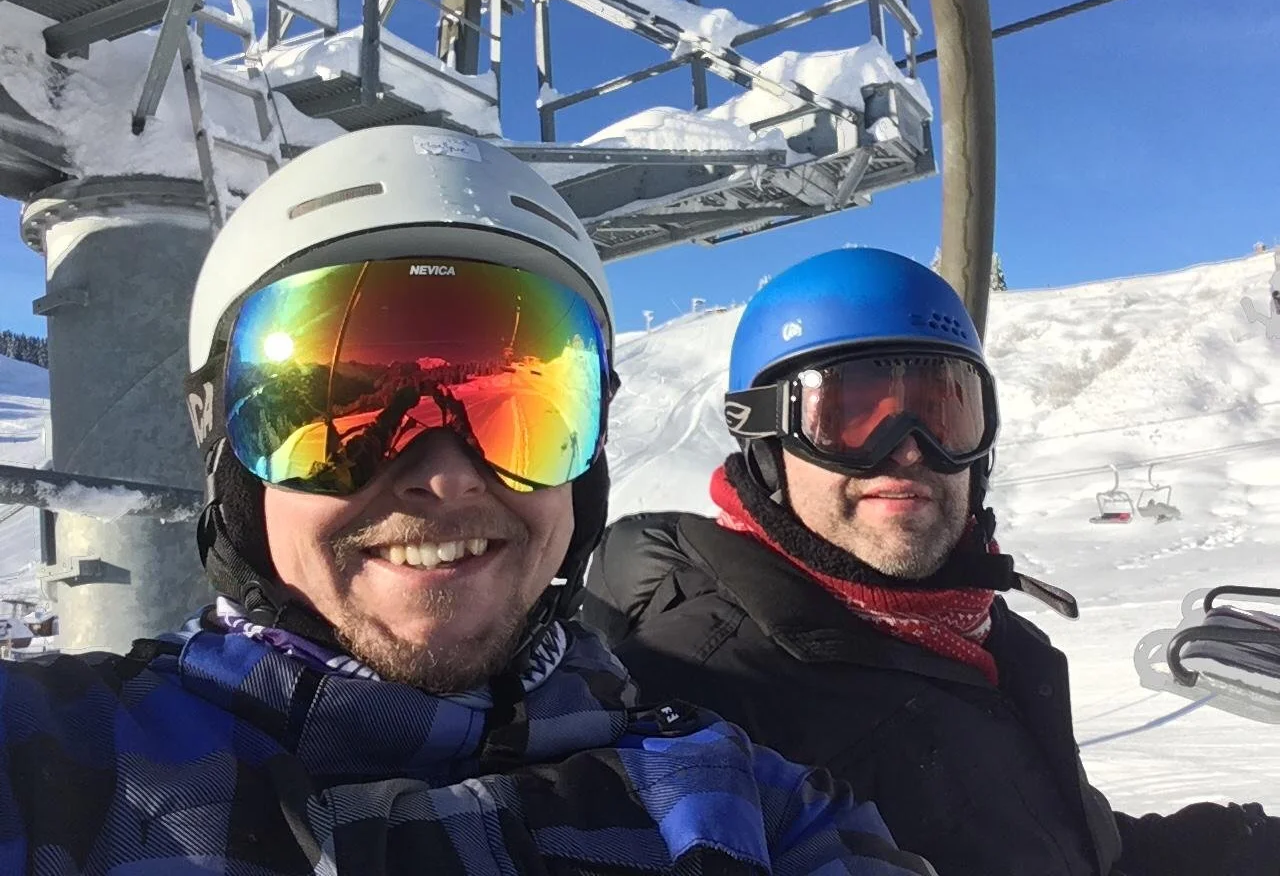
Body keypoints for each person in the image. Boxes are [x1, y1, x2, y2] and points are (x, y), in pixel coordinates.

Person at [0, 129, 940, 876]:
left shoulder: (746, 809)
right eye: (340, 408)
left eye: (517, 412)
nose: (445, 477)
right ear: (233, 458)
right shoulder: (56, 772)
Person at [580, 246, 1280, 876]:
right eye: (850, 415)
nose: (910, 450)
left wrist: (1243, 846)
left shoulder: (976, 640)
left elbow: (1065, 850)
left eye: (944, 413)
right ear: (764, 439)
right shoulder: (698, 707)